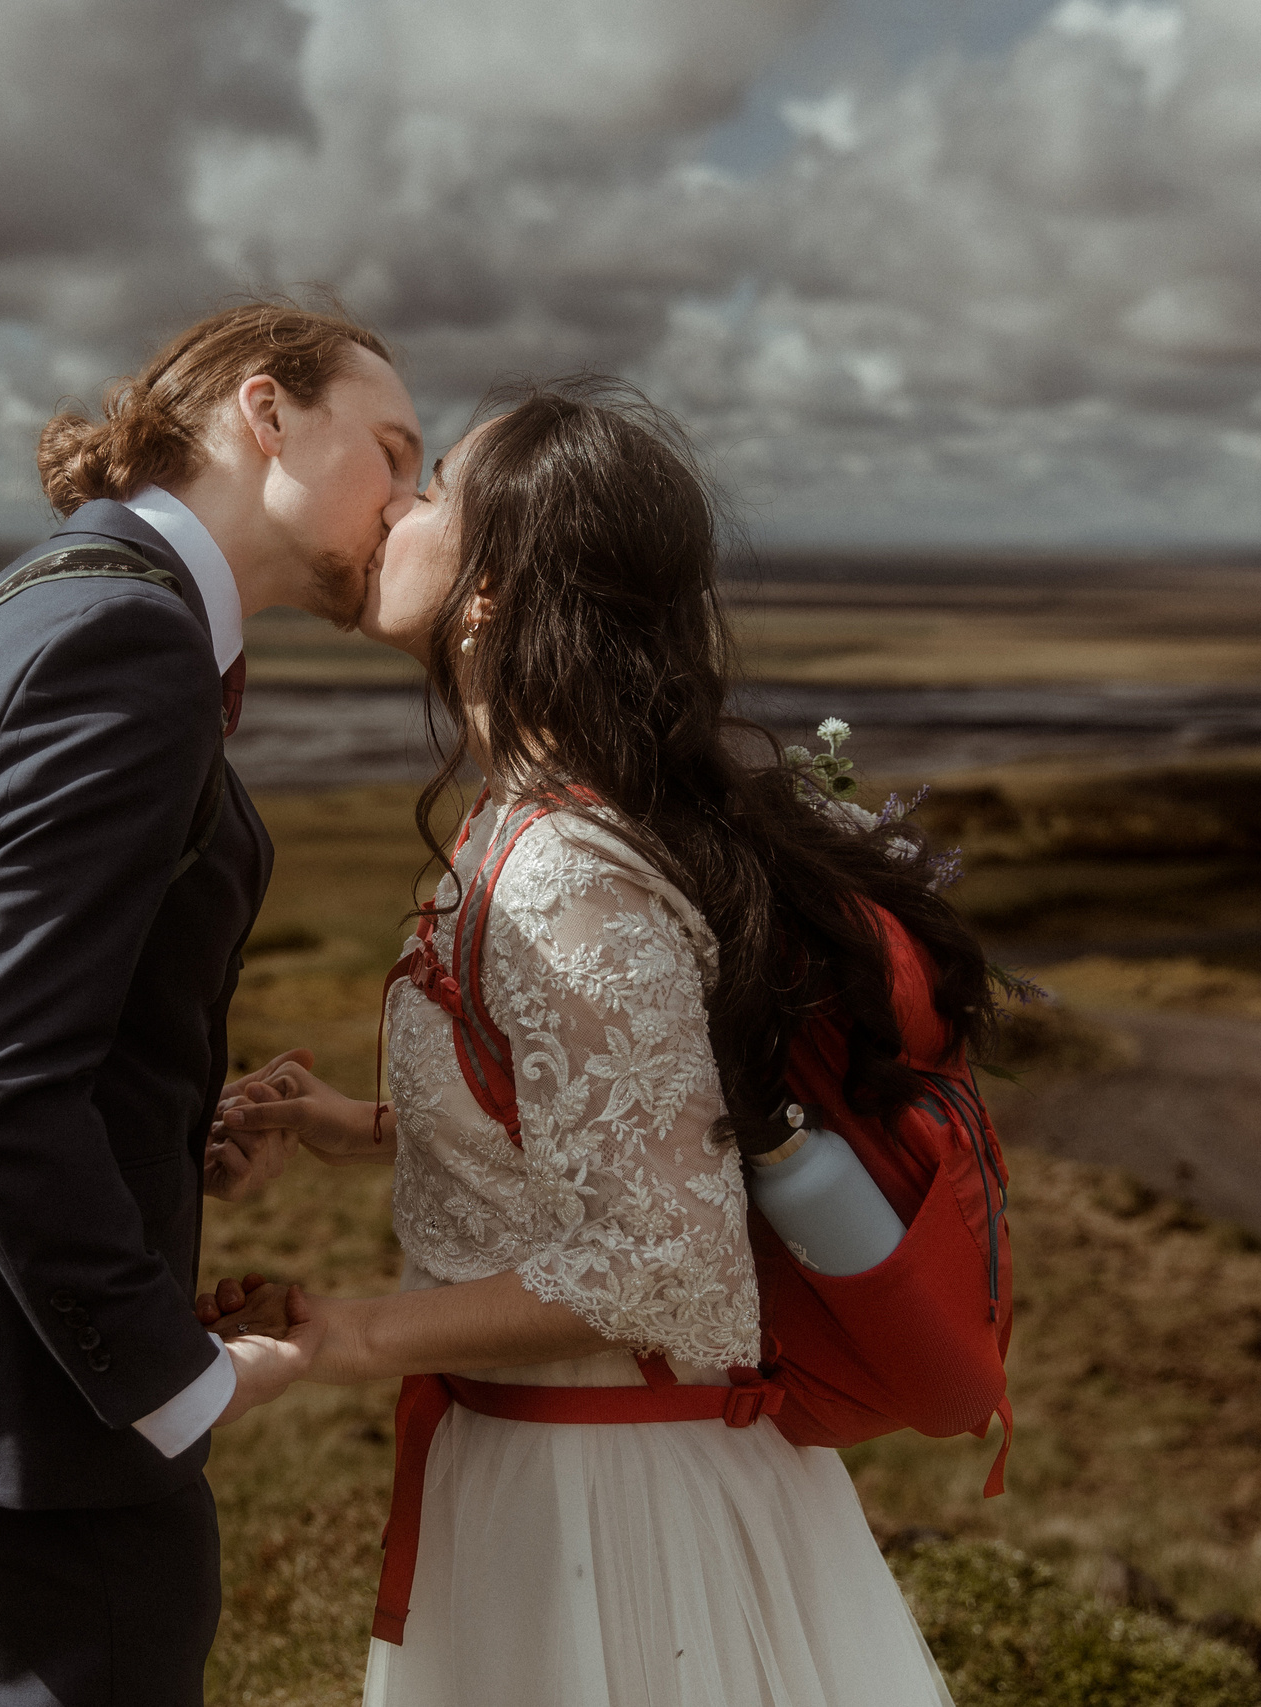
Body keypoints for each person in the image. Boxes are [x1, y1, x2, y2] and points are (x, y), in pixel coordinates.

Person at [204, 378, 996, 1705]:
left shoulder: (566, 864)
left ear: (495, 590)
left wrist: (341, 1338)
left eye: (437, 485)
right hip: (552, 1471)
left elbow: (668, 1267)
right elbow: (620, 1121)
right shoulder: (543, 822)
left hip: (614, 1515)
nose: (394, 506)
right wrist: (372, 1131)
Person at [0, 298, 423, 1707]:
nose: (409, 499)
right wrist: (171, 1379)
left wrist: (163, 1116)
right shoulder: (128, 647)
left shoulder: (35, 599)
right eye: (392, 449)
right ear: (266, 415)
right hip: (37, 1410)